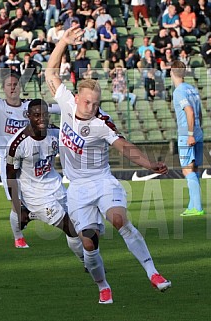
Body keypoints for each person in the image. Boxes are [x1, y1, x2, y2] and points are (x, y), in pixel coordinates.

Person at [45, 25, 172, 304]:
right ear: (77, 98)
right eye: (88, 102)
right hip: (77, 188)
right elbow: (50, 73)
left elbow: (124, 147)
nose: (92, 108)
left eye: (96, 103)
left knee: (118, 219)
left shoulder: (102, 122)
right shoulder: (66, 102)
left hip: (102, 181)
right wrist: (63, 42)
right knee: (88, 241)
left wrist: (149, 163)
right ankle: (103, 285)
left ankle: (153, 272)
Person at [0, 62, 60, 249]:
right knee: (15, 201)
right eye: (9, 85)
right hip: (8, 159)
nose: (12, 87)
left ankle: (42, 215)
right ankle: (18, 237)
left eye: (15, 84)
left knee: (44, 195)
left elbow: (51, 108)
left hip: (30, 159)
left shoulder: (29, 106)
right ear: (3, 89)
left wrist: (73, 107)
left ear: (20, 87)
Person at [5, 98, 84, 267]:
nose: (42, 119)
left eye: (45, 115)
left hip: (56, 187)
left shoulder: (55, 133)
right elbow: (11, 177)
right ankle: (87, 262)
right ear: (28, 116)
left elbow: (75, 137)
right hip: (35, 196)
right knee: (71, 228)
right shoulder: (16, 144)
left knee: (80, 222)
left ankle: (33, 214)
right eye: (36, 115)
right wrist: (18, 209)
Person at [170, 60, 204, 217]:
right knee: (194, 169)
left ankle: (197, 207)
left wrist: (190, 134)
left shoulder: (179, 92)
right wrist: (197, 130)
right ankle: (192, 206)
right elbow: (199, 112)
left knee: (187, 169)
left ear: (172, 72)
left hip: (187, 134)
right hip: (198, 131)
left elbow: (190, 112)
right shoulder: (192, 89)